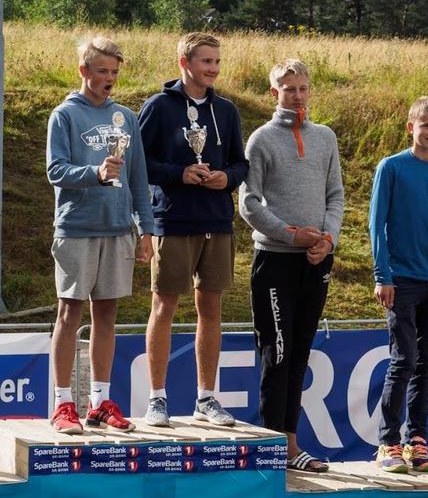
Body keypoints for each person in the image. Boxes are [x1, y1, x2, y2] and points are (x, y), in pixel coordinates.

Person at [138, 32, 249, 427]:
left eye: (217, 62)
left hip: (217, 222)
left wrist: (227, 178)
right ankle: (157, 399)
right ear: (185, 63)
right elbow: (139, 163)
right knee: (164, 306)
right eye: (206, 62)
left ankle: (206, 397)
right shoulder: (158, 107)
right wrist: (179, 173)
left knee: (212, 309)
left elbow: (241, 163)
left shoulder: (228, 110)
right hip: (173, 220)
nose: (214, 69)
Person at [239, 59, 344, 473]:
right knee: (276, 353)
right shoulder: (261, 140)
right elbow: (248, 203)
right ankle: (274, 447)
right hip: (275, 260)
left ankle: (291, 445)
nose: (296, 95)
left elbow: (335, 194)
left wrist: (327, 240)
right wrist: (288, 234)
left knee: (300, 353)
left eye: (302, 88)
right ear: (274, 93)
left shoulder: (325, 137)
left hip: (316, 260)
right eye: (288, 88)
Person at [46, 36, 155, 434]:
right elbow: (55, 171)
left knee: (107, 314)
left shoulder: (125, 117)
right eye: (102, 71)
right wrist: (94, 174)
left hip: (118, 229)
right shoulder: (65, 115)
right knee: (68, 313)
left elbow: (139, 178)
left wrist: (147, 228)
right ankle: (62, 404)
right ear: (84, 71)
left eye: (114, 72)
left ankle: (99, 402)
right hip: (76, 227)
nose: (109, 79)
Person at [370, 96, 428, 474]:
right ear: (411, 127)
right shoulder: (391, 168)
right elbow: (377, 225)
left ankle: (417, 440)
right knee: (403, 360)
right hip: (401, 281)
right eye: (426, 125)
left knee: (425, 364)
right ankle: (388, 442)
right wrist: (383, 275)